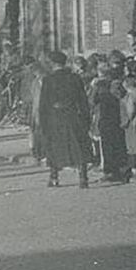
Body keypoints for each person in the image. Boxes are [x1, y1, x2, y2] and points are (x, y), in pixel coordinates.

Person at [39, 51, 92, 188]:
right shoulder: (74, 78)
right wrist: (86, 119)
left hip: (55, 117)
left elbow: (43, 104)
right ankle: (83, 177)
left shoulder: (48, 80)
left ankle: (54, 177)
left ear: (52, 63)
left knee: (54, 146)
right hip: (73, 114)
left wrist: (43, 122)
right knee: (78, 145)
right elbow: (83, 100)